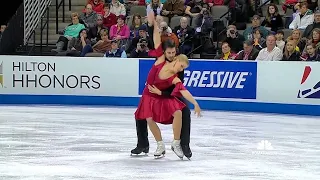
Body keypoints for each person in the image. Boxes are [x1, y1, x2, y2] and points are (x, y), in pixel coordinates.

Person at [131, 11, 197, 159]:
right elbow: (154, 39)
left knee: (184, 112)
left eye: (173, 52)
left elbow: (177, 88)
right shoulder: (160, 57)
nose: (171, 55)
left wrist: (162, 94)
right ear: (164, 52)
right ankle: (143, 144)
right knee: (140, 115)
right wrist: (151, 23)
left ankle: (183, 145)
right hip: (152, 92)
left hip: (169, 93)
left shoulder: (178, 66)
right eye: (169, 52)